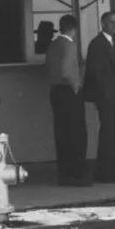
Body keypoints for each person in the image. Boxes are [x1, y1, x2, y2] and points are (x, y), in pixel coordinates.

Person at [46, 14, 89, 186]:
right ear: (74, 29)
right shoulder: (69, 45)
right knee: (76, 134)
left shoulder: (53, 44)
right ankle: (76, 174)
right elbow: (66, 71)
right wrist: (76, 85)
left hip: (55, 91)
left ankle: (64, 174)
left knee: (62, 133)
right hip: (69, 91)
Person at [84, 11, 115, 183]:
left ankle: (113, 170)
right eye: (112, 22)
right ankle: (105, 172)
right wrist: (105, 92)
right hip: (106, 94)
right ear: (103, 24)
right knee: (108, 132)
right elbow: (95, 72)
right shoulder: (97, 44)